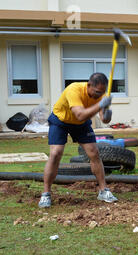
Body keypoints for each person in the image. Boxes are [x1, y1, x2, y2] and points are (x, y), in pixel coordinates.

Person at [38, 73, 118, 208]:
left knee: (94, 152)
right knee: (56, 153)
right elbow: (80, 115)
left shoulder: (101, 94)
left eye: (102, 93)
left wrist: (107, 115)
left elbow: (104, 119)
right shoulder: (73, 90)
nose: (99, 95)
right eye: (97, 92)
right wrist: (100, 106)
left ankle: (103, 190)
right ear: (89, 85)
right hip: (61, 120)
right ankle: (46, 193)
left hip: (81, 124)